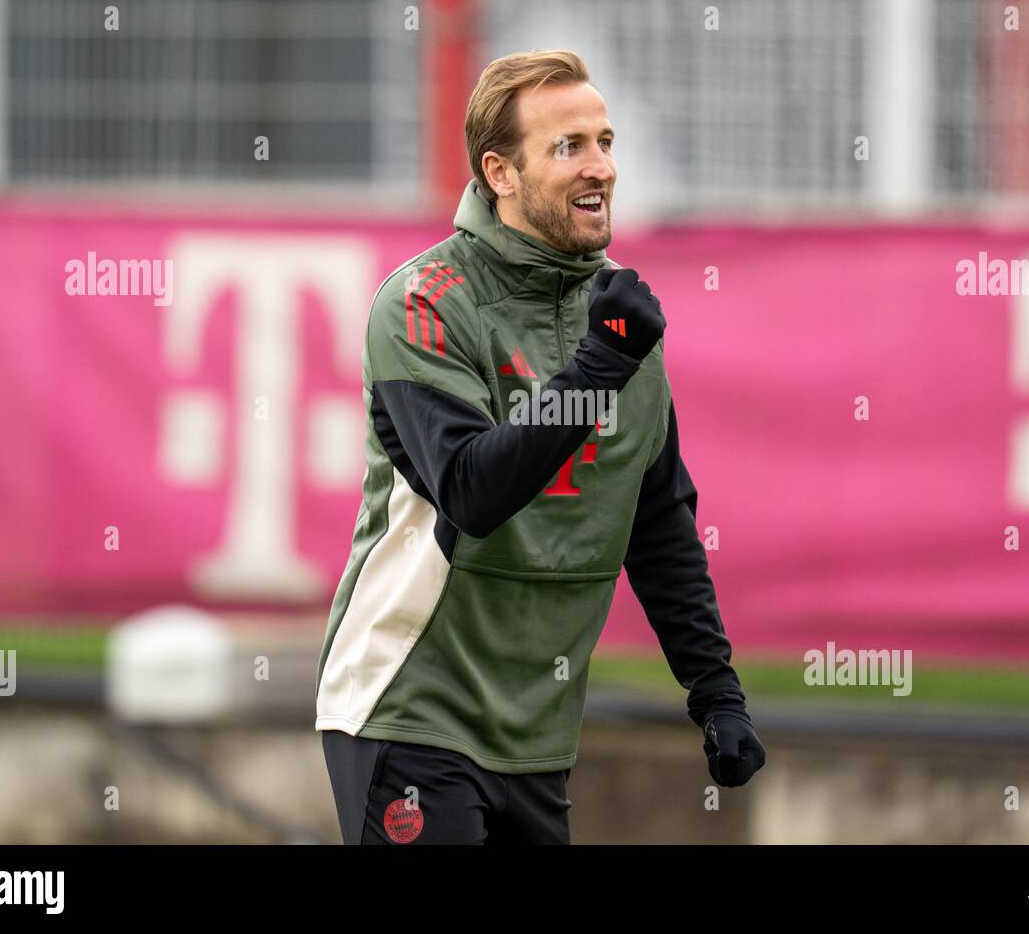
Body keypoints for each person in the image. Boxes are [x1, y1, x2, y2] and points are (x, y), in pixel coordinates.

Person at [317, 49, 764, 844]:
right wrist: (602, 362)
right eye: (570, 147)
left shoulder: (622, 325)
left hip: (537, 737)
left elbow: (656, 525)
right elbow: (472, 490)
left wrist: (716, 693)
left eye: (605, 140)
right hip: (410, 707)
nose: (601, 167)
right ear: (501, 172)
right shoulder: (422, 303)